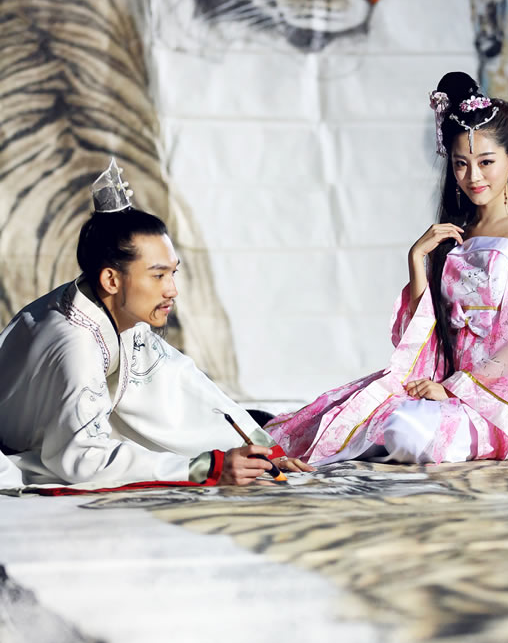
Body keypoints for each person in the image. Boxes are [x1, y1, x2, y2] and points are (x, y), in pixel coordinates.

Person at [265, 71, 508, 465]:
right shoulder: (456, 232)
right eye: (461, 164)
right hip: (439, 378)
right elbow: (422, 332)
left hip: (500, 396)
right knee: (351, 411)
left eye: (486, 162)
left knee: (405, 430)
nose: (473, 177)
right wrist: (416, 261)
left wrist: (459, 387)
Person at [0, 158, 311, 490]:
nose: (172, 290)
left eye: (172, 273)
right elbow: (83, 459)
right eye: (158, 275)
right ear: (111, 279)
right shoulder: (77, 346)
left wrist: (263, 448)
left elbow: (182, 383)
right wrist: (208, 468)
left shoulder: (112, 310)